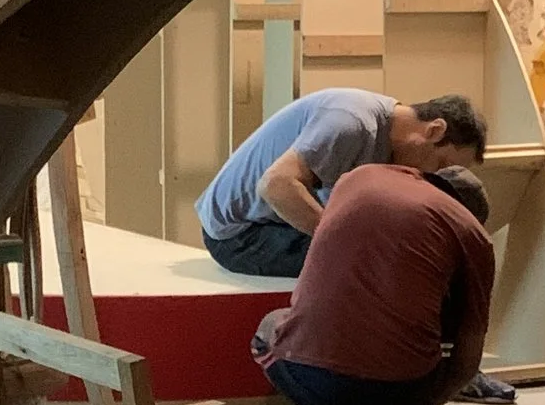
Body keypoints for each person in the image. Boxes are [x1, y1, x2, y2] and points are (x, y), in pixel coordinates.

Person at [252, 162, 495, 405]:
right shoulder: (472, 234)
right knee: (438, 333)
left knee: (274, 328)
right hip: (407, 386)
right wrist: (422, 402)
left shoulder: (359, 178)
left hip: (314, 377)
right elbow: (467, 359)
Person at [196, 88, 487, 279]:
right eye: (440, 163)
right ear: (434, 130)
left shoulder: (382, 132)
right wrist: (343, 243)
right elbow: (276, 186)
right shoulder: (352, 123)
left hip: (271, 220)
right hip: (238, 235)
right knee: (375, 263)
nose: (432, 174)